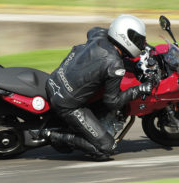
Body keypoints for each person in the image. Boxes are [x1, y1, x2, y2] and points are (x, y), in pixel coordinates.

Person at [43, 14, 153, 161]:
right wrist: (141, 89)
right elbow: (112, 102)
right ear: (125, 38)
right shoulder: (114, 64)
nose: (142, 43)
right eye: (138, 40)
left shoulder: (99, 36)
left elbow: (92, 29)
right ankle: (54, 135)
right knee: (106, 148)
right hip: (68, 104)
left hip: (55, 80)